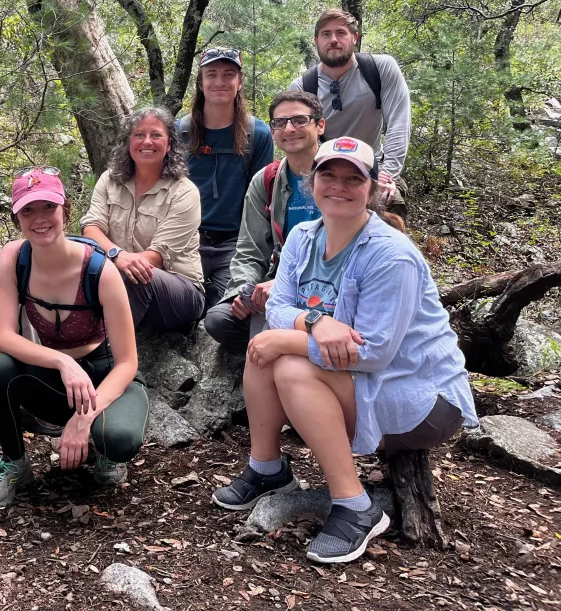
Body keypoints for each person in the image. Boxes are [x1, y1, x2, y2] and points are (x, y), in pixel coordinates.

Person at [212, 137, 477, 564]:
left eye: (354, 178)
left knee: (288, 366)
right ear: (310, 183)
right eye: (328, 175)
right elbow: (278, 306)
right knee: (264, 349)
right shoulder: (303, 236)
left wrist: (289, 337)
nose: (339, 186)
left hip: (421, 399)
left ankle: (356, 506)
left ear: (372, 189)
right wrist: (314, 322)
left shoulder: (391, 256)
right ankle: (267, 470)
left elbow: (372, 353)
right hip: (363, 379)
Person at [0, 168, 147, 509]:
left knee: (118, 439)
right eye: (28, 210)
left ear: (65, 211)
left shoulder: (100, 272)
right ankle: (15, 463)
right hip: (58, 379)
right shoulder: (15, 258)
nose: (39, 219)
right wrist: (62, 360)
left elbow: (128, 362)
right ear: (16, 218)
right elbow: (4, 337)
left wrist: (83, 419)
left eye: (48, 208)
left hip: (106, 377)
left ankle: (103, 450)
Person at [205, 90, 325, 352]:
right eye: (280, 123)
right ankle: (296, 343)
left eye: (300, 120)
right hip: (278, 286)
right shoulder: (267, 180)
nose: (289, 128)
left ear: (320, 125)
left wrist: (283, 286)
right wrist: (243, 293)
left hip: (329, 288)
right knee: (219, 320)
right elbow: (250, 248)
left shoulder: (341, 174)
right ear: (273, 132)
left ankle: (293, 347)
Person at [81, 107, 204, 333]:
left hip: (179, 292)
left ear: (169, 145)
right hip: (118, 273)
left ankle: (105, 356)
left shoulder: (185, 192)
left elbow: (154, 259)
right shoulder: (110, 180)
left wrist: (116, 265)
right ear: (128, 142)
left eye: (156, 135)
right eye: (139, 135)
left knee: (135, 276)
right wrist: (117, 256)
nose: (147, 142)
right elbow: (91, 228)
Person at [180, 48, 274, 311]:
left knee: (221, 311)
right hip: (187, 239)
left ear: (239, 82)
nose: (219, 82)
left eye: (228, 74)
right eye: (211, 74)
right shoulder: (181, 132)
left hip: (235, 242)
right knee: (184, 306)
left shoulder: (258, 134)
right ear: (200, 83)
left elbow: (261, 200)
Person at [289, 8, 411, 205]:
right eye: (326, 34)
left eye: (341, 33)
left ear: (355, 37)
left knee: (390, 208)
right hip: (325, 168)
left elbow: (399, 124)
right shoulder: (303, 87)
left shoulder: (380, 69)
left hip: (373, 165)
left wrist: (387, 176)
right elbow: (300, 142)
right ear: (316, 41)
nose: (333, 40)